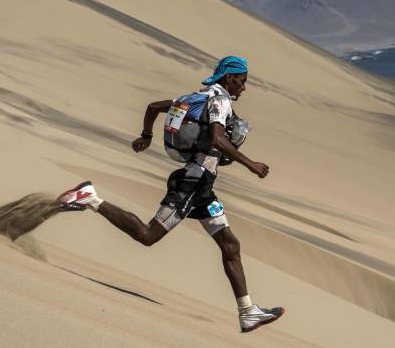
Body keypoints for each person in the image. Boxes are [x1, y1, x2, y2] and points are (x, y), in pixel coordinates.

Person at [57, 56, 285, 333]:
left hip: (203, 188)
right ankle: (90, 198)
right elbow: (217, 138)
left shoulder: (196, 96)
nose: (244, 88)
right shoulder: (220, 101)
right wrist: (251, 164)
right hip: (193, 181)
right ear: (229, 78)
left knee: (230, 245)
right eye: (242, 80)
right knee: (147, 235)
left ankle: (247, 311)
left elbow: (154, 107)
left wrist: (146, 135)